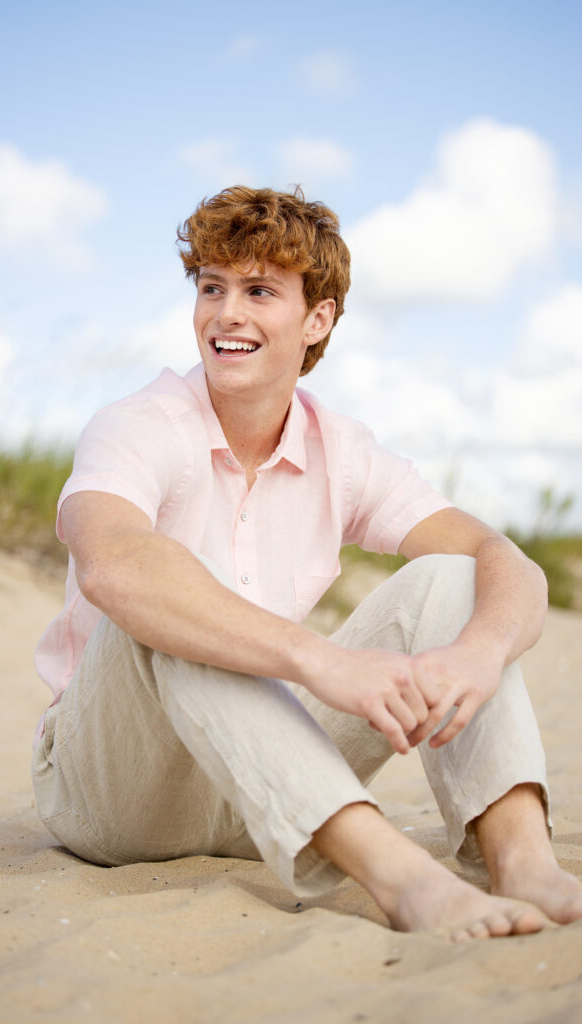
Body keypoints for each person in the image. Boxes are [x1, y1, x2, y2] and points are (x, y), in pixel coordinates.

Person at [33, 185, 582, 941]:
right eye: (211, 287)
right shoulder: (138, 425)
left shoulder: (342, 449)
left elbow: (503, 558)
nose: (226, 313)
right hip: (117, 794)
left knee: (453, 578)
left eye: (258, 291)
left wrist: (478, 654)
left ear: (316, 319)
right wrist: (316, 660)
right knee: (173, 590)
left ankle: (520, 860)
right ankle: (404, 882)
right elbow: (114, 565)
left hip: (266, 781)